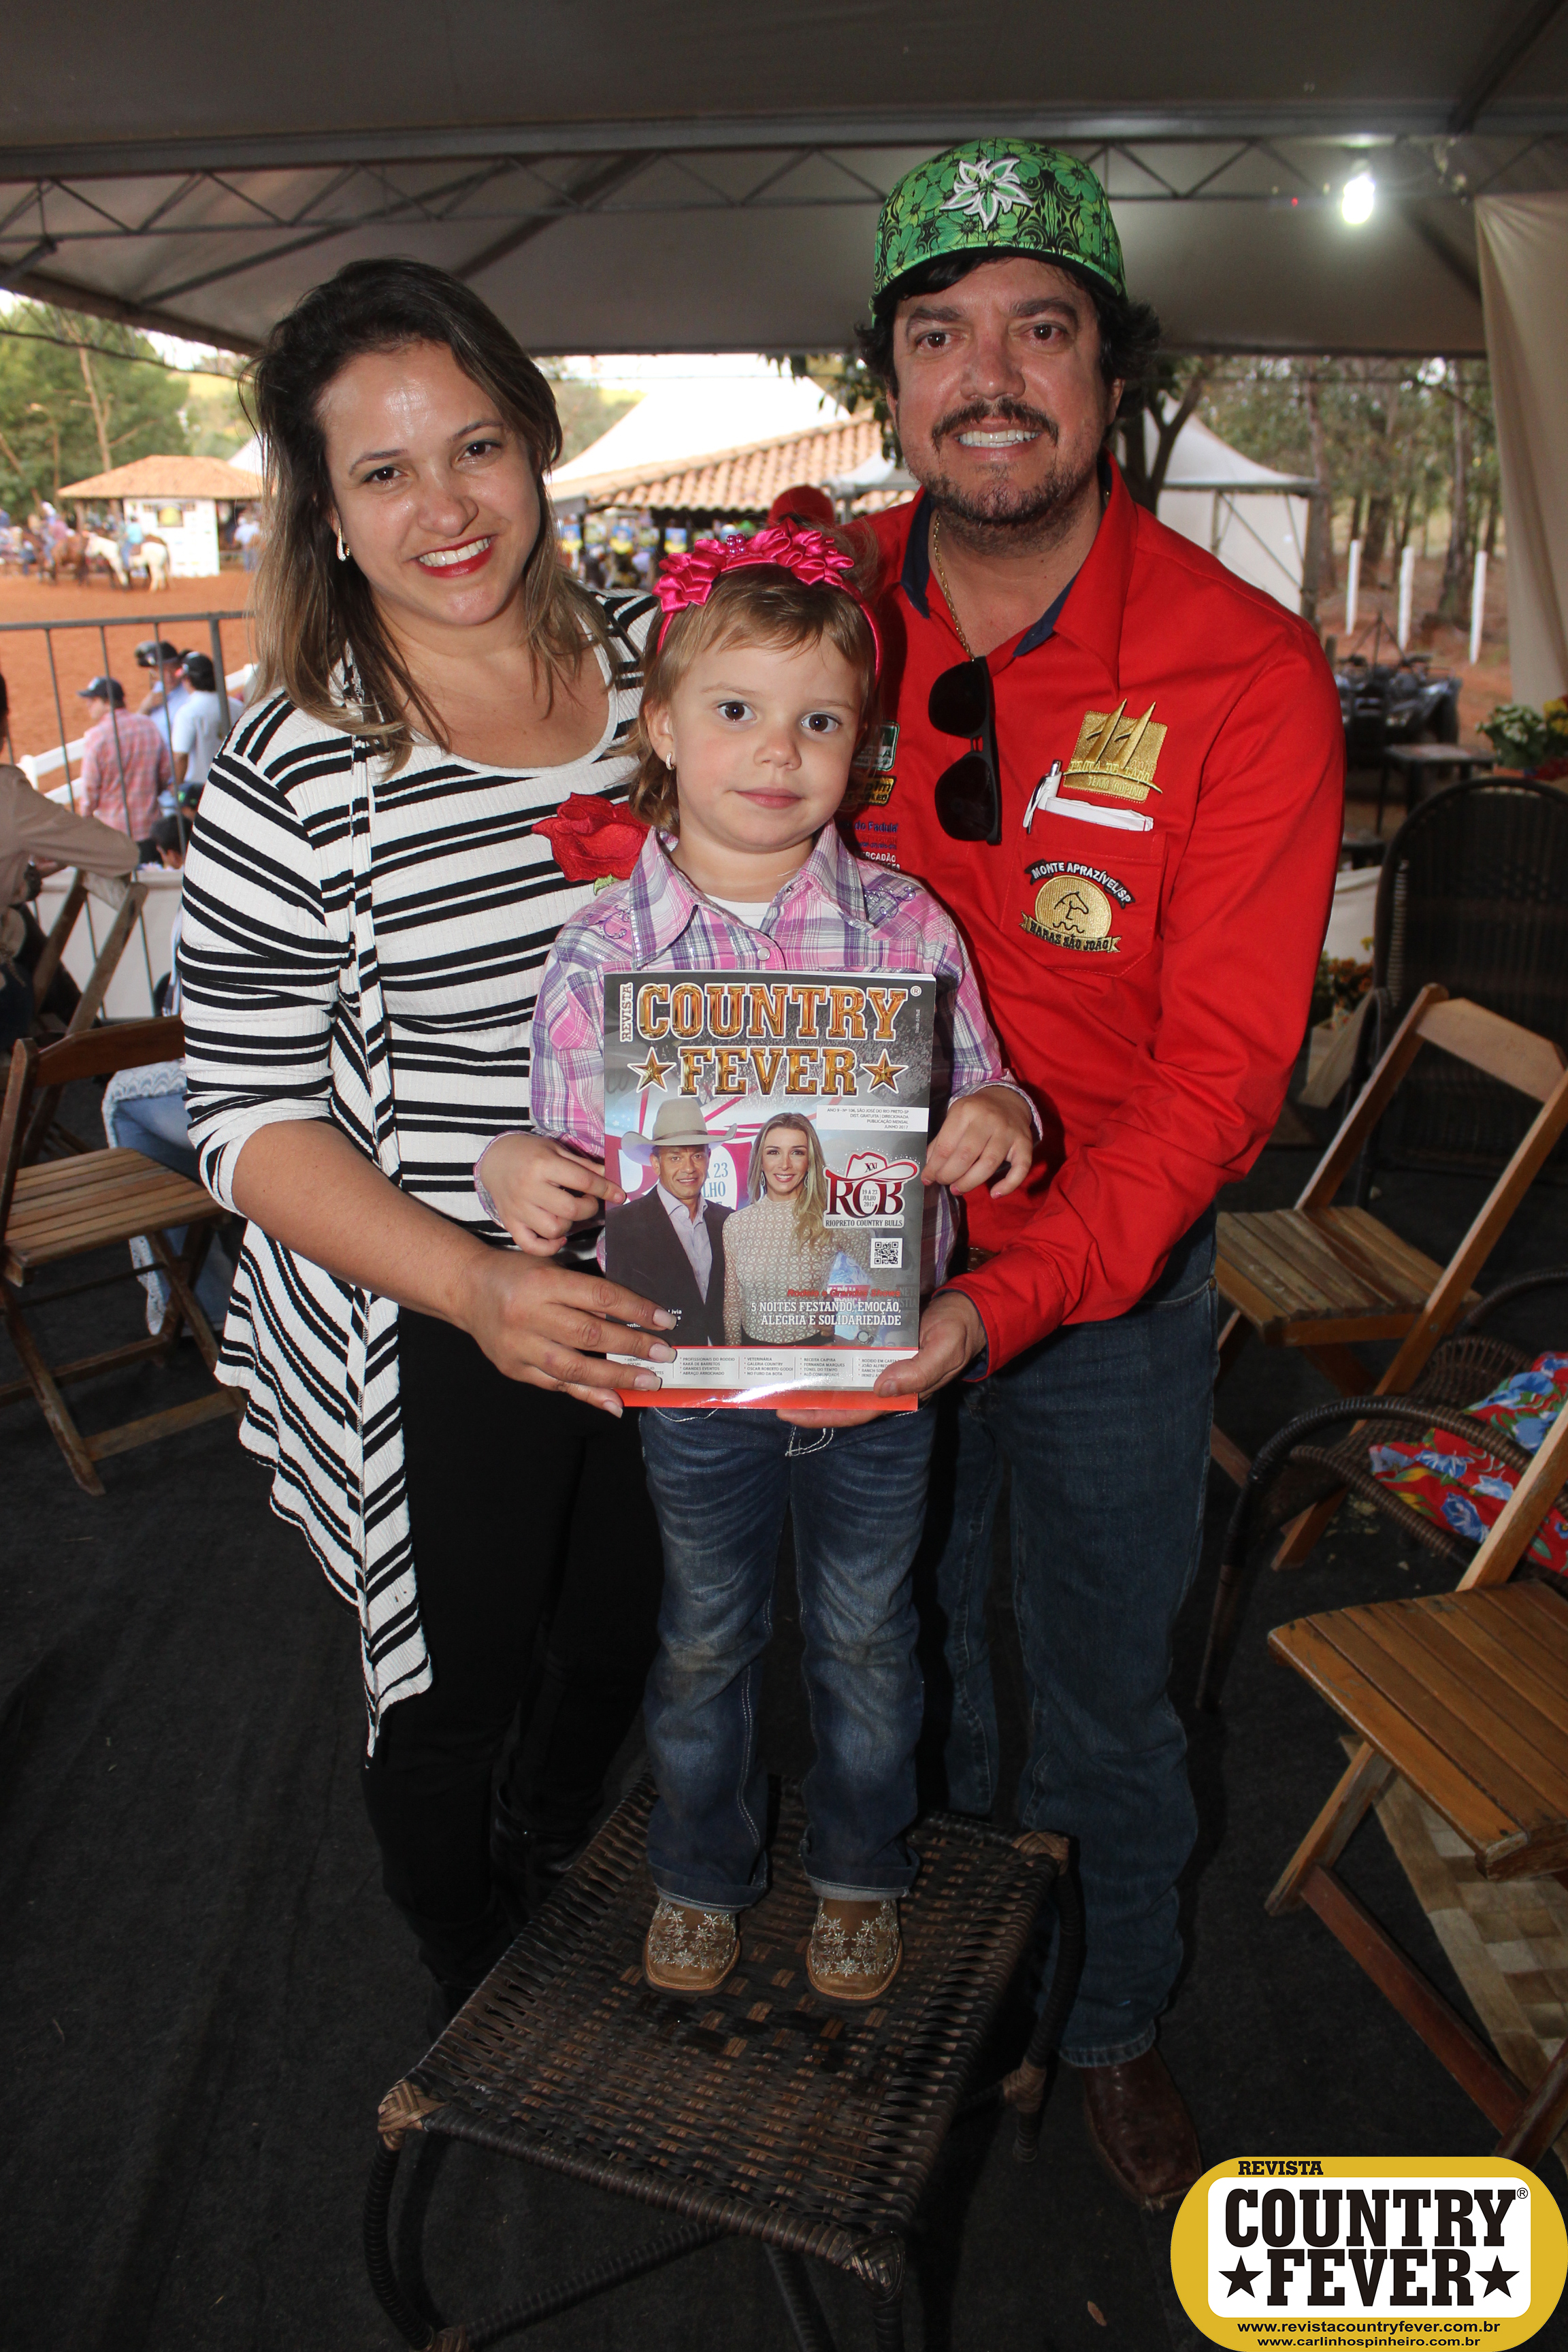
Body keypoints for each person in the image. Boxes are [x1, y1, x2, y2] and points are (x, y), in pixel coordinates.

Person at [835, 142, 1343, 2206]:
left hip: (1107, 1295)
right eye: (940, 332)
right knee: (891, 1657)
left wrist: (1014, 1296)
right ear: (886, 385)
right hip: (849, 1260)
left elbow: (1226, 1080)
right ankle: (955, 2001)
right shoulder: (806, 612)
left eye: (1043, 327)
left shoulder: (1242, 672)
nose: (990, 374)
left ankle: (1114, 2017)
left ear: (1111, 373)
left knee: (1114, 1704)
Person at [178, 256, 682, 2029]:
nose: (445, 505)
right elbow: (239, 1123)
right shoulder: (295, 762)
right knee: (452, 1680)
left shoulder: (653, 684)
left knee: (625, 1616)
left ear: (539, 445)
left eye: (476, 446)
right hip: (427, 1298)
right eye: (383, 472)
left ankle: (550, 1844)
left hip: (673, 1259)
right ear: (325, 511)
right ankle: (473, 1964)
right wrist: (475, 1284)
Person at [487, 521, 1036, 2004]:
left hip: (874, 1368)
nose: (776, 750)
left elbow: (984, 1088)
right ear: (659, 726)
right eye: (735, 709)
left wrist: (998, 1113)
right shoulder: (604, 949)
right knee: (706, 1637)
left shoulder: (907, 923)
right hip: (693, 1378)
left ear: (863, 748)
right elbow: (557, 1151)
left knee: (868, 1639)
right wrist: (511, 1173)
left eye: (818, 719)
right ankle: (700, 1868)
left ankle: (863, 1866)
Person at [0, 766, 137, 1049]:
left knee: (18, 924)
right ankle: (95, 1055)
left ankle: (91, 1052)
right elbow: (122, 854)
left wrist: (23, 878)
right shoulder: (7, 793)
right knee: (18, 949)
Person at [721, 1110, 856, 1345]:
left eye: (797, 1153)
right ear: (760, 1161)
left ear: (809, 1162)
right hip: (754, 1357)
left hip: (812, 1354)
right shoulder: (737, 1224)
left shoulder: (830, 1219)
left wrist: (864, 1338)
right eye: (774, 1152)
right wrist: (734, 1362)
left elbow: (885, 1275)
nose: (784, 1164)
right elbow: (733, 1304)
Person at [602, 1099, 730, 1347]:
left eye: (697, 1155)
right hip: (660, 1368)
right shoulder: (619, 1226)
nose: (689, 1168)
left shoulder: (730, 1221)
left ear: (709, 1158)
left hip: (726, 1368)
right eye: (675, 1158)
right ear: (656, 1164)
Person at [74, 677, 173, 840]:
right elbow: (165, 772)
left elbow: (90, 788)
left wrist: (85, 818)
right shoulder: (148, 725)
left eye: (93, 700)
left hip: (114, 833)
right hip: (150, 827)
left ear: (107, 703)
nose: (88, 705)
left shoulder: (97, 737)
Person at [167, 651, 227, 799]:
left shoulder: (188, 713)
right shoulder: (234, 705)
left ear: (188, 680)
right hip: (233, 786)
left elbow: (181, 757)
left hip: (199, 792)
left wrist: (176, 789)